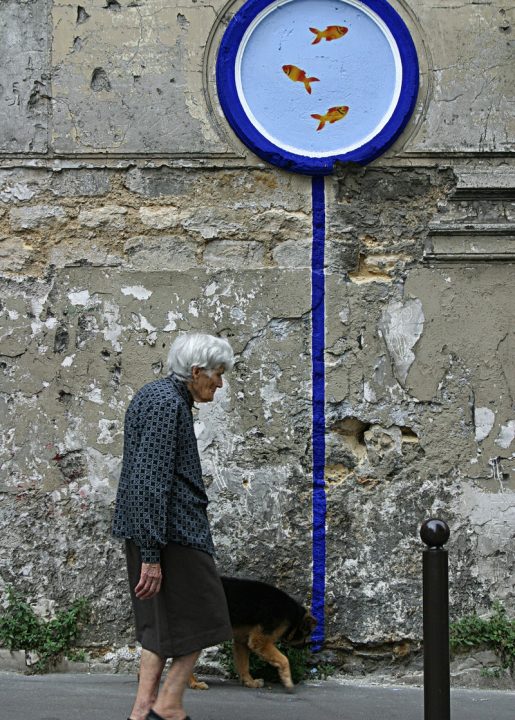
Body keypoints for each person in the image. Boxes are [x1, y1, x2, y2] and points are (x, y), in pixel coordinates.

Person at [112, 332, 235, 720]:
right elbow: (149, 480)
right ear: (196, 371)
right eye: (216, 374)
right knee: (208, 616)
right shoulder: (168, 404)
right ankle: (168, 705)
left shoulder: (156, 395)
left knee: (159, 625)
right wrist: (151, 555)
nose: (219, 383)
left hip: (156, 530)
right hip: (173, 534)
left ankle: (142, 710)